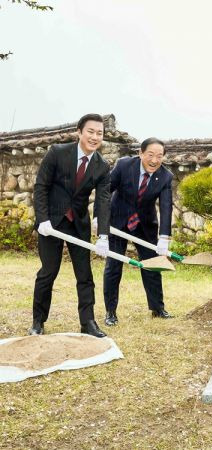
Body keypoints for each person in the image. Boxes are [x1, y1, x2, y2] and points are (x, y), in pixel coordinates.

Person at [30, 113, 111, 338]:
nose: (95, 137)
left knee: (85, 275)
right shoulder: (57, 152)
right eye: (91, 132)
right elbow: (41, 187)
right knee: (48, 272)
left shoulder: (102, 166)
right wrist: (42, 219)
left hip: (78, 225)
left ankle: (88, 322)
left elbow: (104, 201)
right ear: (79, 132)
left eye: (99, 133)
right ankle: (38, 321)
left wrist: (103, 235)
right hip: (52, 222)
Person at [98, 137, 174, 326]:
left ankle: (157, 308)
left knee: (152, 265)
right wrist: (100, 220)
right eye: (150, 155)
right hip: (117, 220)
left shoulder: (165, 176)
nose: (154, 160)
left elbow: (166, 207)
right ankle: (110, 312)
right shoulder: (124, 165)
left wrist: (164, 237)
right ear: (140, 153)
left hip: (145, 224)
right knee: (114, 266)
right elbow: (105, 192)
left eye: (159, 156)